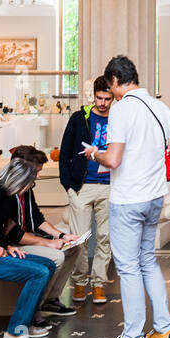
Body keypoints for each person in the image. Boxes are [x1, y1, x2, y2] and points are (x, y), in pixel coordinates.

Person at [86, 55, 170, 338]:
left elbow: (113, 159)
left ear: (114, 81)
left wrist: (93, 154)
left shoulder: (122, 109)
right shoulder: (160, 106)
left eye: (110, 86)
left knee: (128, 268)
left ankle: (132, 337)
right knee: (147, 261)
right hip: (155, 197)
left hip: (129, 199)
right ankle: (164, 327)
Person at [0, 156, 67, 338]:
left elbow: (0, 230)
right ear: (19, 180)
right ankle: (15, 334)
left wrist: (7, 246)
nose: (30, 187)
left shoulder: (7, 196)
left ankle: (27, 323)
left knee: (48, 265)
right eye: (30, 182)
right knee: (39, 273)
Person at [58, 76, 116, 305]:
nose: (102, 103)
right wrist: (68, 185)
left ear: (113, 97)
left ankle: (99, 284)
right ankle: (79, 283)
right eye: (99, 98)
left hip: (110, 185)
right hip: (82, 186)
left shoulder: (118, 119)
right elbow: (65, 152)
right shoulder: (79, 118)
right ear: (93, 96)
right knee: (79, 238)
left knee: (105, 237)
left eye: (107, 98)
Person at [8, 145, 79, 319]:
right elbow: (13, 234)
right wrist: (47, 243)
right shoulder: (7, 191)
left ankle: (51, 300)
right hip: (11, 245)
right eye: (36, 171)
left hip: (24, 238)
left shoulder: (27, 189)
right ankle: (35, 307)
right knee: (57, 255)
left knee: (72, 248)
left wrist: (61, 236)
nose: (39, 176)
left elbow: (37, 218)